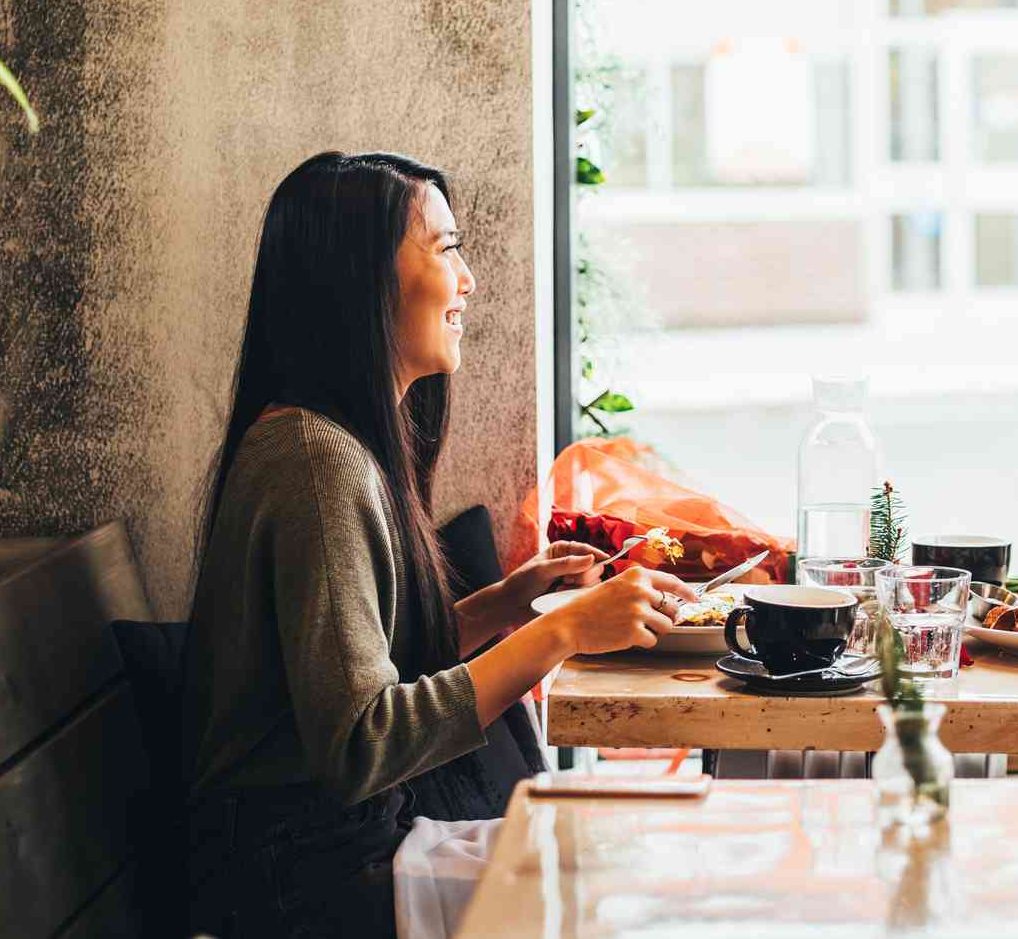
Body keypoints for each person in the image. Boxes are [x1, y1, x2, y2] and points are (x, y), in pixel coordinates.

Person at [181, 151, 697, 938]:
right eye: (446, 248)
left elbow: (348, 673)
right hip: (301, 877)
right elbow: (360, 743)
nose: (469, 280)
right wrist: (561, 632)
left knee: (624, 852)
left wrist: (505, 604)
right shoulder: (315, 461)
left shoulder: (331, 444)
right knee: (623, 886)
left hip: (327, 851)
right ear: (362, 280)